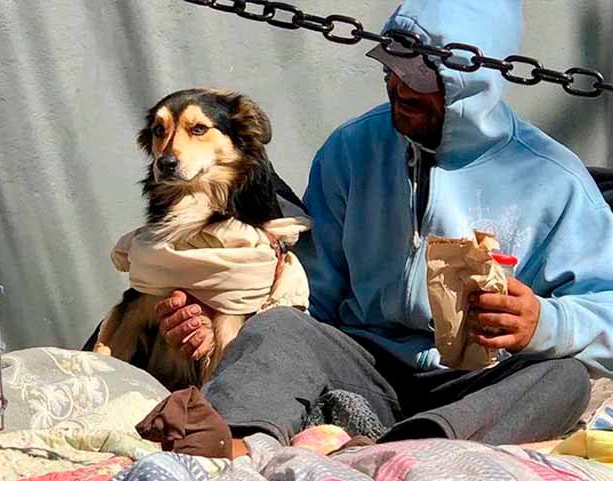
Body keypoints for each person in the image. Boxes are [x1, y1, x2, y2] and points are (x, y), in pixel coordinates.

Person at [151, 0, 613, 455]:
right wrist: (221, 322)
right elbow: (308, 293)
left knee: (564, 378)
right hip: (362, 358)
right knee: (279, 329)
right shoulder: (353, 149)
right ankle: (227, 443)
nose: (398, 88)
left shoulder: (555, 180)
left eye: (419, 80)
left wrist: (543, 323)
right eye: (392, 69)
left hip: (475, 380)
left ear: (474, 82)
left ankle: (407, 448)